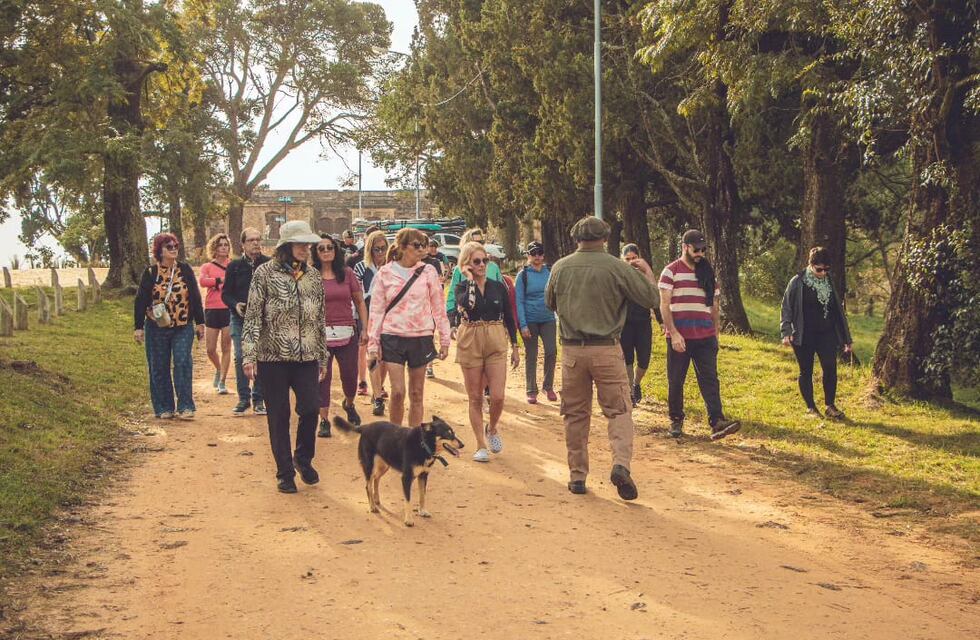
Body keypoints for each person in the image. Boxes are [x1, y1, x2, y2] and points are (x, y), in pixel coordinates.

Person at [546, 217, 659, 500]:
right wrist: (647, 272)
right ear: (606, 239)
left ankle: (577, 477)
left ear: (576, 239)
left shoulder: (560, 267)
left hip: (572, 352)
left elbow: (550, 303)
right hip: (607, 349)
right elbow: (650, 298)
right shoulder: (617, 267)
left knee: (575, 414)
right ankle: (620, 464)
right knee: (619, 411)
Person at [242, 220, 327, 494]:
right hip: (272, 358)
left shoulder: (313, 277)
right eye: (300, 244)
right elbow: (252, 316)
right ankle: (284, 472)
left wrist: (322, 355)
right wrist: (248, 355)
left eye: (307, 244)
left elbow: (319, 319)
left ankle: (303, 458)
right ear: (286, 246)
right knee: (279, 415)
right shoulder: (264, 274)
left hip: (307, 357)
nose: (305, 248)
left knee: (311, 409)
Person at [659, 230, 741, 440]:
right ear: (685, 247)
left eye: (703, 250)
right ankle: (676, 420)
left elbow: (714, 306)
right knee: (676, 380)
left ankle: (717, 421)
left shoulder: (707, 273)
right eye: (696, 249)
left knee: (710, 379)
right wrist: (673, 333)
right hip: (680, 337)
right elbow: (664, 305)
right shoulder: (670, 271)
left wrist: (716, 335)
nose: (700, 254)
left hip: (705, 336)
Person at [366, 228, 450, 427]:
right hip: (392, 336)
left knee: (416, 393)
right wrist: (373, 345)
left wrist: (444, 338)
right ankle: (396, 437)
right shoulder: (385, 273)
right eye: (417, 245)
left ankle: (413, 438)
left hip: (421, 337)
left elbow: (438, 307)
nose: (422, 249)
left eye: (424, 245)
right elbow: (376, 311)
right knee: (397, 392)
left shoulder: (428, 271)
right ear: (402, 247)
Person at [454, 242, 520, 462]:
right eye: (476, 261)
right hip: (470, 338)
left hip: (495, 337)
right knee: (475, 397)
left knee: (498, 396)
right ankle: (480, 445)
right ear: (466, 264)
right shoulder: (462, 287)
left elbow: (509, 315)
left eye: (485, 260)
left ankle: (491, 428)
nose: (482, 265)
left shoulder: (498, 286)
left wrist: (515, 346)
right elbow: (469, 305)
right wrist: (470, 280)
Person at [134, 233, 205, 420]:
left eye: (175, 246)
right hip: (157, 326)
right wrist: (138, 327)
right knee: (159, 366)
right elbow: (140, 300)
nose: (173, 249)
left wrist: (200, 322)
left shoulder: (184, 269)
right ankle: (164, 407)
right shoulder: (151, 272)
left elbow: (195, 296)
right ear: (160, 251)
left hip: (183, 325)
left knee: (182, 362)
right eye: (169, 247)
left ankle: (185, 406)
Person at [780, 246, 853, 419]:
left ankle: (830, 406)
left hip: (826, 333)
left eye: (826, 269)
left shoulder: (829, 282)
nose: (823, 273)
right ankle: (811, 408)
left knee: (830, 367)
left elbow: (838, 311)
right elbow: (786, 307)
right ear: (810, 265)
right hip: (804, 333)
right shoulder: (797, 281)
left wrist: (846, 338)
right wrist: (786, 331)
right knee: (806, 371)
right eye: (819, 269)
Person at [313, 234, 369, 437]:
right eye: (321, 248)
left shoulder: (347, 273)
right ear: (315, 253)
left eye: (330, 247)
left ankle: (349, 404)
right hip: (320, 335)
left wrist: (364, 329)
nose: (326, 251)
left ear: (335, 250)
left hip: (347, 331)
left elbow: (359, 301)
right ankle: (324, 420)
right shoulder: (311, 275)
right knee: (322, 378)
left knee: (350, 376)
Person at [221, 227, 270, 416]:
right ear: (242, 244)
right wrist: (235, 305)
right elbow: (226, 294)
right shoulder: (234, 266)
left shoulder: (269, 264)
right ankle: (243, 398)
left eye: (258, 239)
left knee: (261, 357)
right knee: (241, 356)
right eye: (251, 240)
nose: (255, 243)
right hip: (240, 318)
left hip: (263, 320)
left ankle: (259, 399)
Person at [515, 241, 557, 404]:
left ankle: (548, 386)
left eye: (539, 253)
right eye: (533, 253)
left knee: (551, 351)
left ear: (543, 255)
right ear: (528, 256)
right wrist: (523, 325)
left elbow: (556, 295)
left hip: (548, 318)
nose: (537, 256)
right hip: (530, 319)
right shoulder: (523, 275)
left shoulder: (550, 272)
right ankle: (531, 390)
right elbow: (519, 301)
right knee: (531, 354)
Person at [353, 230, 390, 415]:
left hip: (389, 314)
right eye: (377, 249)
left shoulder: (392, 267)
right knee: (373, 352)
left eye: (383, 248)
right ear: (370, 249)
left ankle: (378, 388)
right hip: (368, 313)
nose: (381, 253)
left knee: (386, 356)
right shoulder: (361, 267)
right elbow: (357, 296)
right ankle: (377, 397)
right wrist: (360, 320)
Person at [620, 244, 655, 407]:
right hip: (625, 324)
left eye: (634, 258)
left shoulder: (645, 275)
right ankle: (630, 393)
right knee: (627, 359)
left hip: (643, 323)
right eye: (627, 259)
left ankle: (636, 383)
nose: (631, 262)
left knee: (644, 361)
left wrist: (662, 321)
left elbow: (655, 297)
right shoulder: (619, 275)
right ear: (622, 259)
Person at [198, 233, 233, 395]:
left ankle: (222, 381)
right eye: (220, 245)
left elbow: (236, 282)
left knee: (226, 347)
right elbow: (203, 281)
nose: (223, 248)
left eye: (226, 245)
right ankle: (218, 368)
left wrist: (216, 282)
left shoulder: (233, 265)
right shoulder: (207, 266)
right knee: (210, 349)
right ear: (214, 247)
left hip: (228, 309)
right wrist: (220, 280)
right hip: (212, 309)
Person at [446, 227, 502, 325]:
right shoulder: (459, 269)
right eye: (475, 242)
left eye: (481, 242)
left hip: (492, 321)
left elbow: (501, 294)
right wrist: (451, 320)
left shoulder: (493, 267)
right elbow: (452, 296)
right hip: (468, 321)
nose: (479, 245)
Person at [422, 237, 448, 379]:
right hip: (414, 309)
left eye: (424, 245)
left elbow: (439, 279)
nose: (422, 248)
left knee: (429, 334)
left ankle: (429, 366)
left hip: (430, 304)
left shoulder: (434, 262)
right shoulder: (409, 263)